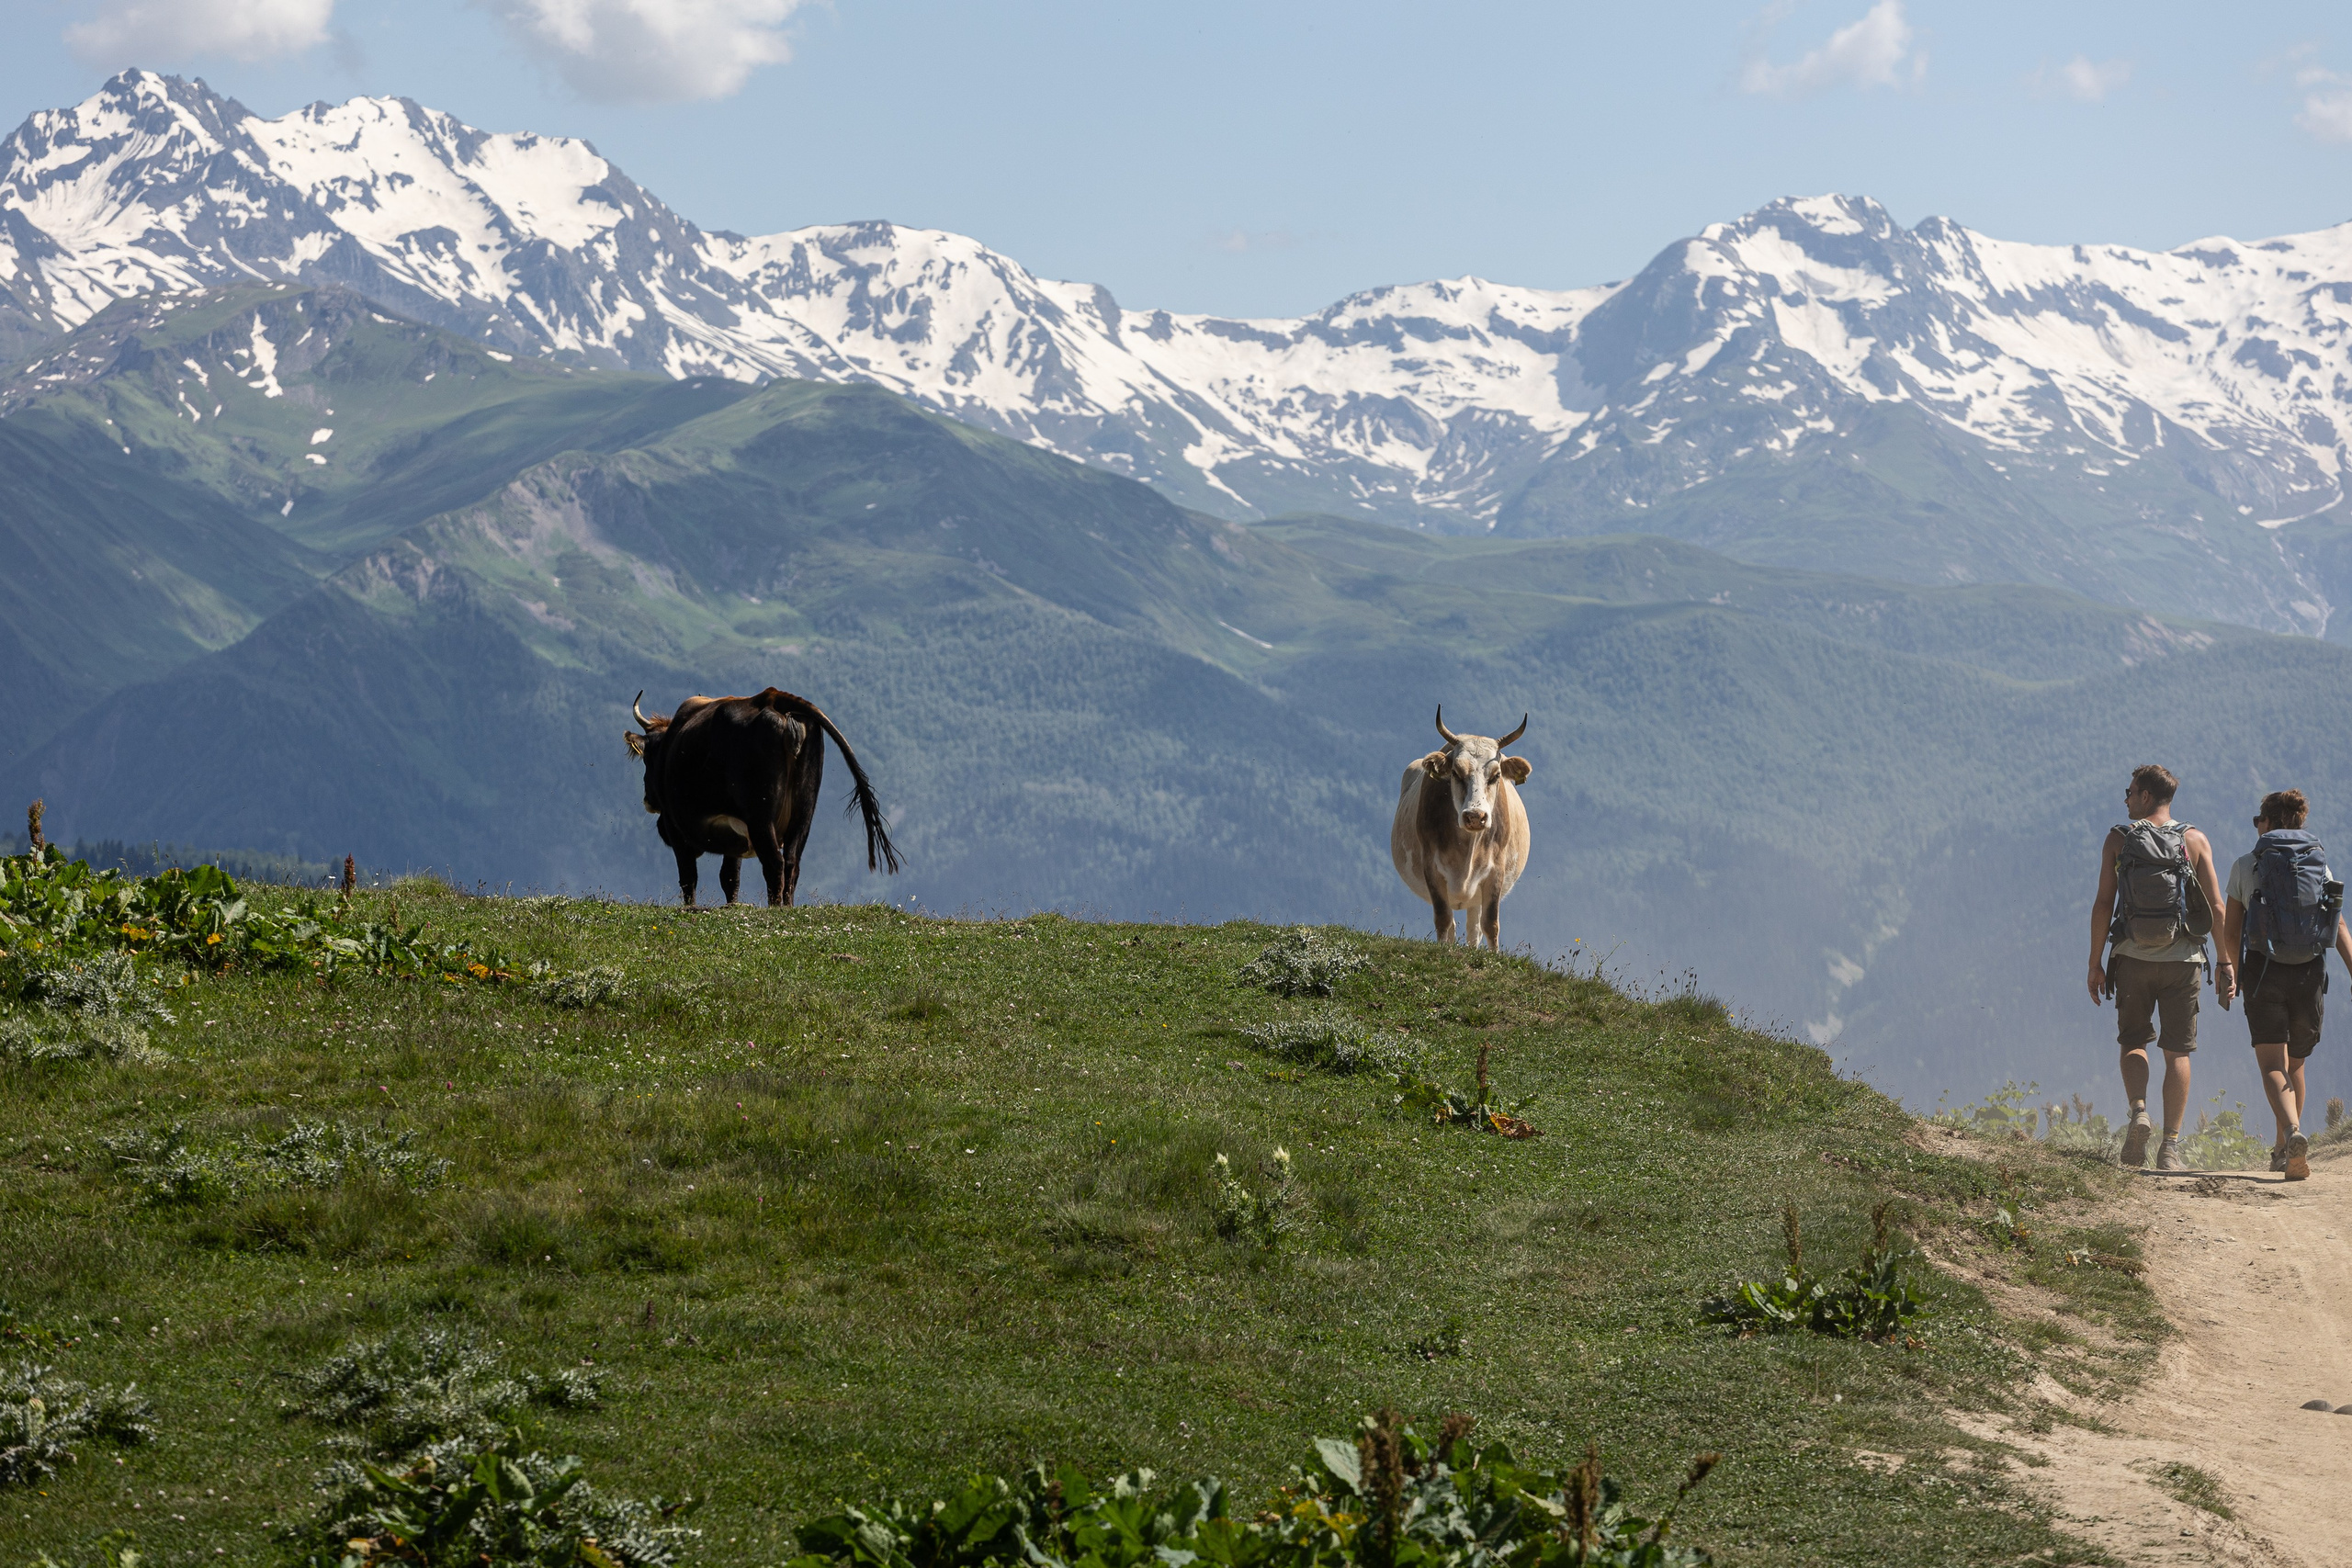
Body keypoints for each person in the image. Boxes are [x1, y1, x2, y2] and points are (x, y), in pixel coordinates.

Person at [2087, 764, 2222, 1170]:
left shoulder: (2118, 840)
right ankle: (2170, 1148)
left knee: (2133, 1042)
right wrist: (2228, 961)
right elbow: (2216, 907)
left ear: (2146, 795)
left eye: (2129, 792)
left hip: (2131, 958)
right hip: (2183, 962)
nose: (2126, 799)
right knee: (2177, 1052)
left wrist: (2095, 962)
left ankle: (2139, 1111)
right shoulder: (2194, 840)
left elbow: (2102, 904)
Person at [2215, 788, 2352, 1182]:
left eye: (2259, 819)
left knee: (2272, 1065)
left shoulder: (2248, 863)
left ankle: (2291, 1134)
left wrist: (2231, 971)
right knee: (2297, 1065)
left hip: (2263, 972)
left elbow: (2232, 927)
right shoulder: (2317, 862)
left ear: (2271, 822)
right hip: (2309, 972)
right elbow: (2337, 922)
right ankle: (2282, 1152)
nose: (2256, 826)